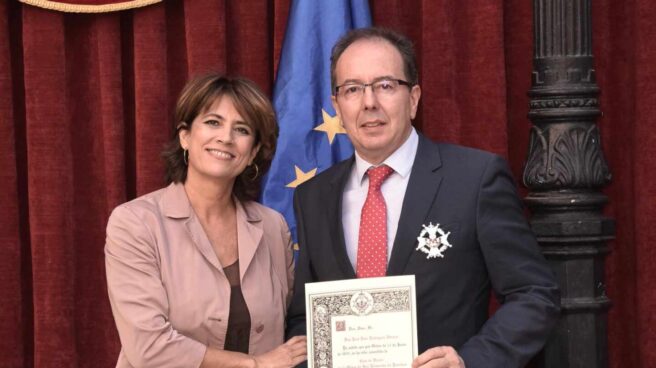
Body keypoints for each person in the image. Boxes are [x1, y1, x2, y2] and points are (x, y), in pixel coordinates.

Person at [286, 28, 560, 368]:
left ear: (413, 98)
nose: (369, 102)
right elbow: (304, 319)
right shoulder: (313, 197)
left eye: (386, 85)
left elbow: (534, 294)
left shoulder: (474, 179)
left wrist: (468, 361)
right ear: (337, 106)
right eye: (353, 89)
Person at [105, 74, 306, 368]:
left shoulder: (273, 227)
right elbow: (148, 347)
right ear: (185, 136)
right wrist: (256, 365)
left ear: (252, 153)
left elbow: (290, 328)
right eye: (213, 122)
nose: (225, 137)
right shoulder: (135, 223)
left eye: (242, 129)